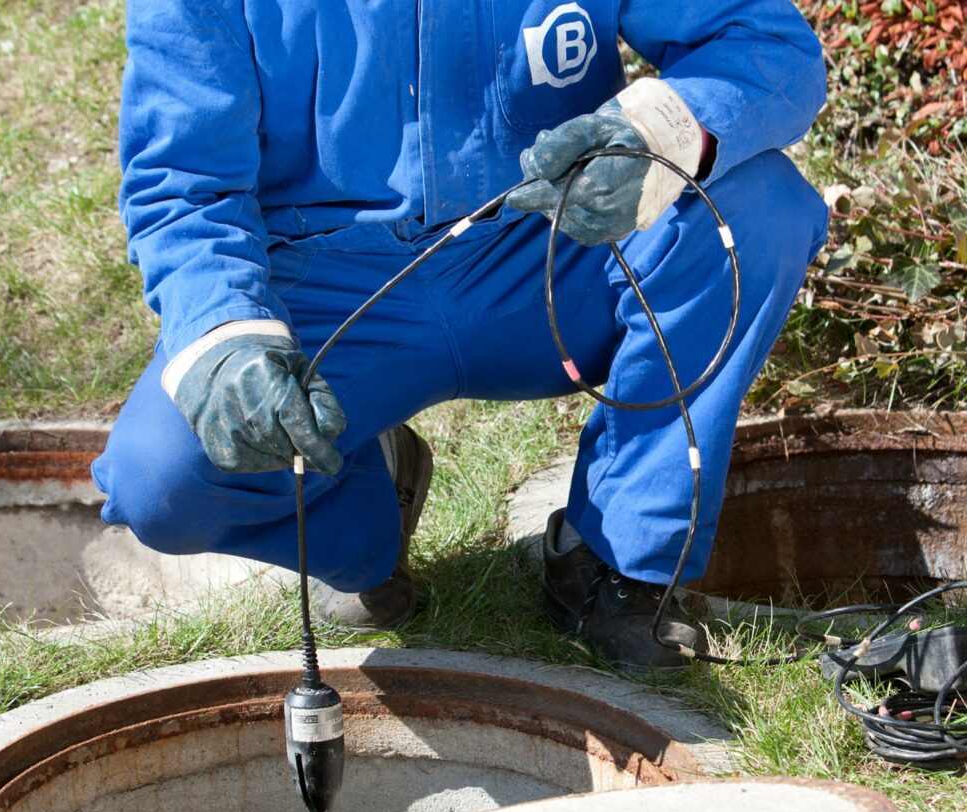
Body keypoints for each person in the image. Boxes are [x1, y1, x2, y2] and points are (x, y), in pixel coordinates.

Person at [92, 1, 829, 671]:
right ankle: (365, 525)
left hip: (547, 244)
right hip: (326, 279)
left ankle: (612, 556)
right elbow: (184, 183)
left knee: (759, 209)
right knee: (163, 477)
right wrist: (224, 335)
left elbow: (765, 44)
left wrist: (662, 131)